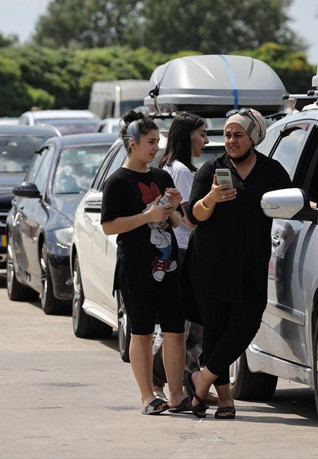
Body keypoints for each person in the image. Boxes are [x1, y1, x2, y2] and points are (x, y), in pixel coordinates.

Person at [183, 108, 292, 419]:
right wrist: (212, 199)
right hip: (210, 266)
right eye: (228, 134)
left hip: (253, 266)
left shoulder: (271, 172)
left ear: (254, 137)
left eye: (238, 135)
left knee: (245, 327)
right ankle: (226, 399)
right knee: (216, 332)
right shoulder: (210, 171)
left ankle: (199, 381)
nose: (230, 140)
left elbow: (294, 202)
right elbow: (192, 217)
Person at [100, 110, 190, 415]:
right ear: (133, 143)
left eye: (158, 142)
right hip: (136, 266)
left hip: (168, 265)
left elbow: (176, 223)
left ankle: (176, 394)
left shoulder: (161, 176)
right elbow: (109, 226)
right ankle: (147, 396)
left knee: (176, 330)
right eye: (151, 142)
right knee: (142, 331)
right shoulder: (118, 182)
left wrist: (173, 207)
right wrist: (147, 217)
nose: (156, 148)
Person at [151, 112, 209, 398]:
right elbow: (189, 218)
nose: (206, 140)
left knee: (182, 326)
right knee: (182, 327)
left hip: (174, 250)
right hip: (183, 250)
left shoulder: (169, 166)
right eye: (202, 134)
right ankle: (158, 380)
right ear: (188, 137)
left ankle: (182, 384)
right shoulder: (183, 172)